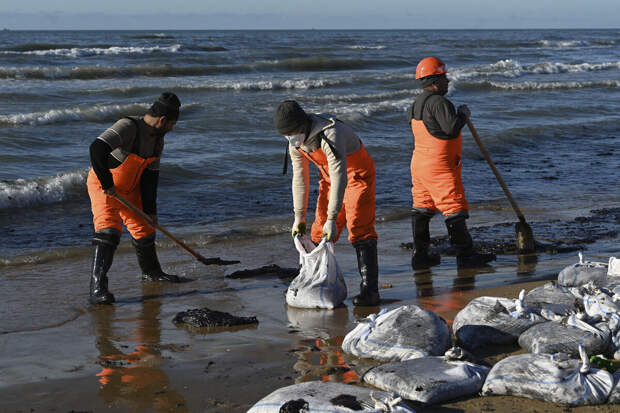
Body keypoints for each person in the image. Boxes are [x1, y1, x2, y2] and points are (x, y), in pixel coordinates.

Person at [274, 100, 379, 306]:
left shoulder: (331, 134)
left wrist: (333, 218)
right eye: (286, 135)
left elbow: (341, 175)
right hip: (330, 179)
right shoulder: (295, 142)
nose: (290, 138)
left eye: (293, 132)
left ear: (303, 125)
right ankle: (311, 282)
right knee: (318, 231)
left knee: (359, 227)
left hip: (357, 176)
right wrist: (299, 217)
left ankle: (370, 291)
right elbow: (300, 178)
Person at [87, 92, 182, 305]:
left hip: (130, 190)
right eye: (172, 124)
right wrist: (107, 183)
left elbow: (150, 178)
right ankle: (97, 288)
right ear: (163, 120)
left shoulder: (158, 141)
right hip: (104, 187)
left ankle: (152, 272)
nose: (172, 129)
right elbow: (96, 148)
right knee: (109, 231)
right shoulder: (128, 126)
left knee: (145, 229)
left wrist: (151, 211)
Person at [408, 57, 495, 270]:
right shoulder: (439, 103)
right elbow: (451, 128)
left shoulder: (416, 103)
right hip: (439, 165)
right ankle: (466, 257)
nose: (448, 82)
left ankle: (421, 256)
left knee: (422, 208)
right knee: (453, 207)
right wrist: (463, 114)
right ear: (435, 81)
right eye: (444, 77)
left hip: (419, 163)